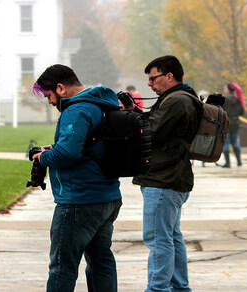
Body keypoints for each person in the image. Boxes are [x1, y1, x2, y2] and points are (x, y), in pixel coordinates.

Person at [32, 64, 122, 292]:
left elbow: (68, 153)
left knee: (62, 266)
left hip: (79, 201)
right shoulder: (101, 104)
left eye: (48, 95)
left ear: (60, 88)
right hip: (107, 197)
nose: (50, 102)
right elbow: (89, 145)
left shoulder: (76, 109)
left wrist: (43, 157)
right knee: (101, 261)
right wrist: (54, 148)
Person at [132, 55, 201, 292]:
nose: (149, 84)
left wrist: (130, 119)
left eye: (153, 79)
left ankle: (158, 288)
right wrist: (135, 111)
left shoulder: (176, 101)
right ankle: (180, 287)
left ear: (169, 76)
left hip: (163, 179)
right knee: (171, 237)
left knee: (158, 239)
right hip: (173, 178)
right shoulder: (181, 98)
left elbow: (149, 133)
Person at [221, 82, 245, 168]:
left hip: (226, 123)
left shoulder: (224, 98)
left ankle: (228, 163)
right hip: (236, 123)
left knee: (226, 143)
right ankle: (239, 161)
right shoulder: (238, 99)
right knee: (235, 142)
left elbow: (219, 110)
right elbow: (242, 112)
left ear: (227, 89)